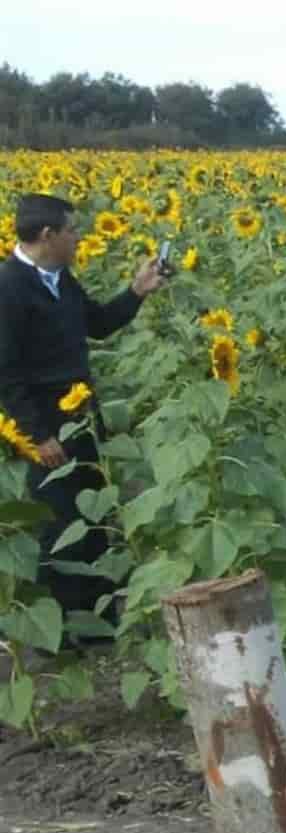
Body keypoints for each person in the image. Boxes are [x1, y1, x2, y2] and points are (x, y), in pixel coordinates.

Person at [0, 193, 168, 639]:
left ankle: (99, 624)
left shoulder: (60, 279)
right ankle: (60, 637)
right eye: (72, 230)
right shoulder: (8, 287)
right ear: (47, 235)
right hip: (45, 427)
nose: (79, 238)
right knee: (59, 527)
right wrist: (37, 434)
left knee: (92, 521)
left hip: (81, 419)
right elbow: (5, 373)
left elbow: (96, 324)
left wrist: (138, 290)